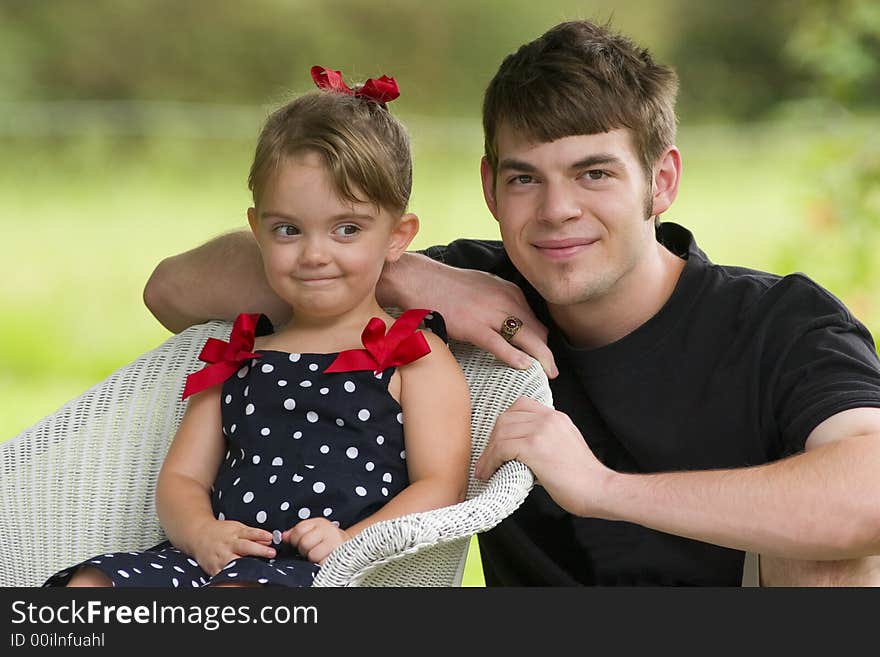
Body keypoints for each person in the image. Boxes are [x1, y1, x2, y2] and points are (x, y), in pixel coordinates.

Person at [143, 22, 880, 586]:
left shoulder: (779, 323)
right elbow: (171, 290)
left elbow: (866, 498)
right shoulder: (463, 293)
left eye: (593, 173)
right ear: (491, 187)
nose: (557, 210)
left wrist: (604, 489)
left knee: (838, 561)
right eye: (526, 179)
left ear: (662, 181)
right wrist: (409, 278)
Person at [44, 66, 471, 587]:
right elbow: (181, 478)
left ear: (396, 236)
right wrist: (202, 532)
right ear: (257, 230)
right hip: (211, 559)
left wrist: (355, 541)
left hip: (328, 570)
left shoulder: (412, 354)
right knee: (89, 586)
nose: (315, 254)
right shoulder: (241, 353)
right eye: (288, 229)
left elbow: (440, 484)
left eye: (347, 229)